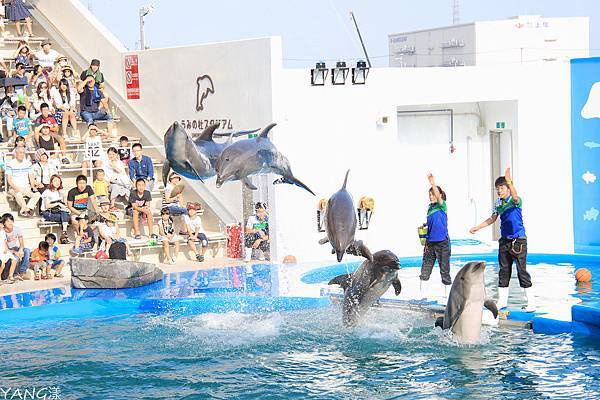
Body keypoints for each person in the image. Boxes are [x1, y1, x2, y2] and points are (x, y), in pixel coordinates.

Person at [469, 167, 535, 312]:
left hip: (518, 241)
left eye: (502, 187)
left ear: (508, 188)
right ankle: (502, 302)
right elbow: (492, 218)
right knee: (503, 271)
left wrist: (510, 180)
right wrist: (478, 227)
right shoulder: (498, 203)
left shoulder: (515, 200)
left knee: (521, 271)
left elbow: (516, 196)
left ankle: (531, 302)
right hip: (504, 241)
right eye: (497, 188)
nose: (499, 191)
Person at [419, 173, 451, 297]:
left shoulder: (442, 205)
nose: (431, 196)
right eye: (430, 195)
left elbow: (438, 195)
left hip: (442, 243)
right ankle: (422, 296)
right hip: (430, 243)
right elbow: (432, 223)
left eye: (433, 194)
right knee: (425, 270)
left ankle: (447, 296)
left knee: (444, 271)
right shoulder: (430, 208)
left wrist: (433, 183)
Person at [6, 146, 39, 216]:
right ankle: (25, 210)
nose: (22, 155)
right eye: (20, 153)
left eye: (23, 153)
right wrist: (15, 188)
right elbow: (9, 180)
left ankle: (27, 209)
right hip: (14, 187)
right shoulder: (10, 163)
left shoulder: (28, 163)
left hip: (26, 187)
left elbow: (31, 177)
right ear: (16, 153)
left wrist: (33, 186)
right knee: (18, 194)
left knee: (37, 194)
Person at [40, 174, 70, 244]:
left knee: (66, 214)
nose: (57, 183)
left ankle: (64, 232)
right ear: (51, 182)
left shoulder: (59, 192)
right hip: (48, 212)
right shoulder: (47, 192)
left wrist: (64, 196)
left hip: (58, 212)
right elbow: (47, 206)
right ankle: (64, 234)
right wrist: (58, 203)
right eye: (55, 181)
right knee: (66, 217)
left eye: (59, 181)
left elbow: (64, 205)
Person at [2, 213, 30, 280]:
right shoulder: (2, 231)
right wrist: (14, 252)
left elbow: (21, 241)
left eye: (11, 220)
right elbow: (4, 247)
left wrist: (21, 249)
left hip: (15, 247)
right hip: (6, 250)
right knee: (16, 258)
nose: (10, 223)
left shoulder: (17, 229)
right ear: (4, 223)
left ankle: (22, 272)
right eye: (7, 221)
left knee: (27, 251)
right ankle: (14, 275)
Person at [0, 219, 17, 285]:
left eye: (2, 224)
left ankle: (10, 276)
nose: (2, 225)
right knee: (2, 264)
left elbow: (4, 241)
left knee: (14, 260)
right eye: (1, 224)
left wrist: (7, 249)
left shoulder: (2, 231)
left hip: (4, 250)